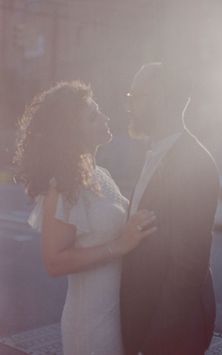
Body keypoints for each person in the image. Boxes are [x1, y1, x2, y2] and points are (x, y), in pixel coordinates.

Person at [13, 81, 157, 355]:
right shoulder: (64, 184)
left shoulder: (100, 174)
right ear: (73, 132)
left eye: (99, 110)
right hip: (92, 324)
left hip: (118, 315)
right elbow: (54, 261)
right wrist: (120, 245)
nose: (104, 117)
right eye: (92, 116)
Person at [120, 63, 219, 355]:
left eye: (133, 96)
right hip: (146, 323)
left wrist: (153, 344)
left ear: (158, 97)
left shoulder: (194, 163)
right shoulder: (156, 152)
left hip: (171, 333)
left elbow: (188, 267)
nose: (129, 105)